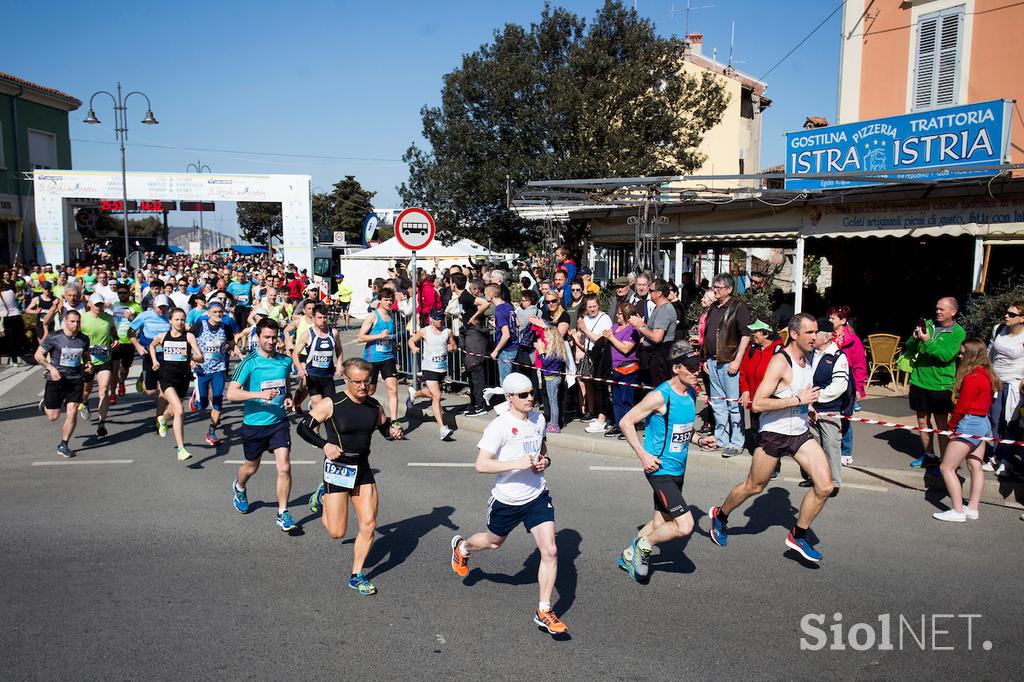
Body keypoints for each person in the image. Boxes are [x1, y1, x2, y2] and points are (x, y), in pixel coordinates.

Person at [707, 313, 835, 563]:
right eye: (809, 332)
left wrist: (807, 409)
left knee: (825, 486)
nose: (815, 337)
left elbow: (798, 391)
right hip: (773, 435)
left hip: (799, 434)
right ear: (794, 334)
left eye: (816, 331)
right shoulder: (780, 362)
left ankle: (798, 535)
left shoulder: (810, 357)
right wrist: (799, 401)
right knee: (754, 486)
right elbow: (758, 404)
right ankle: (720, 516)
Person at [448, 373, 566, 636]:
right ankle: (463, 546)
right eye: (523, 395)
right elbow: (481, 464)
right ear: (510, 397)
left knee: (550, 551)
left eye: (532, 393)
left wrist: (544, 462)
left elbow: (542, 450)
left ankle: (543, 611)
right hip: (507, 500)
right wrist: (517, 463)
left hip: (537, 495)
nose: (530, 399)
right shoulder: (499, 426)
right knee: (493, 543)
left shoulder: (539, 419)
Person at [298, 357, 405, 595]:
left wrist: (392, 432)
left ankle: (356, 575)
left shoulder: (374, 406)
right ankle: (322, 497)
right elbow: (303, 428)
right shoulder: (331, 403)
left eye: (366, 381)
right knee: (337, 532)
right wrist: (324, 445)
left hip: (362, 470)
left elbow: (384, 428)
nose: (362, 387)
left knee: (369, 524)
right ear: (345, 379)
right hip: (337, 470)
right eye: (356, 382)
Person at [616, 342, 702, 582]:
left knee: (660, 521)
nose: (697, 372)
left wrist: (698, 439)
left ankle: (628, 555)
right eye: (692, 368)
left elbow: (681, 429)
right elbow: (626, 422)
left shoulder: (692, 393)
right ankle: (644, 544)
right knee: (684, 526)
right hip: (659, 469)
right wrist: (643, 455)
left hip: (678, 469)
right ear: (677, 368)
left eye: (699, 367)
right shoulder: (659, 396)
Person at [227, 317, 299, 533]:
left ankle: (282, 512)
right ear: (257, 337)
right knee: (251, 467)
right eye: (266, 337)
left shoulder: (285, 361)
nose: (271, 341)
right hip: (254, 424)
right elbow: (231, 393)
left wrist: (288, 397)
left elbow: (285, 384)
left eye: (274, 337)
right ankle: (239, 487)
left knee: (284, 466)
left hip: (278, 422)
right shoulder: (249, 362)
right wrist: (260, 394)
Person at [933, 339, 1000, 522]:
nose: (959, 356)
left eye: (963, 353)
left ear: (971, 355)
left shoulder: (972, 377)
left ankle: (957, 510)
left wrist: (952, 426)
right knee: (975, 466)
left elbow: (962, 406)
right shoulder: (987, 373)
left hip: (969, 423)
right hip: (982, 423)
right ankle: (972, 508)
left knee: (946, 467)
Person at [904, 297, 966, 468]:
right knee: (922, 421)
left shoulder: (958, 332)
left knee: (941, 424)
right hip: (919, 381)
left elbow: (946, 356)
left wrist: (927, 342)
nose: (937, 312)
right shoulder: (928, 324)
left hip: (941, 385)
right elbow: (909, 347)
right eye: (937, 308)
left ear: (952, 312)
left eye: (942, 309)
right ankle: (929, 455)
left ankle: (945, 461)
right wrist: (915, 339)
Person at [700, 274, 752, 457]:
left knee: (732, 403)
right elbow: (708, 333)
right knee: (717, 403)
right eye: (714, 287)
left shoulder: (738, 307)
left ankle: (737, 442)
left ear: (729, 289)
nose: (715, 290)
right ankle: (721, 438)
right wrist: (705, 358)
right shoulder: (714, 307)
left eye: (719, 287)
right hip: (713, 361)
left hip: (729, 361)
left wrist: (737, 361)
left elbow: (746, 335)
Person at [801, 320, 850, 495]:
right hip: (808, 407)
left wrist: (817, 398)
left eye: (816, 333)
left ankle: (834, 483)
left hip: (829, 409)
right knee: (811, 446)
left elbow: (839, 385)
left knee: (831, 447)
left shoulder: (838, 356)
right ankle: (814, 478)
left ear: (827, 337)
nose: (813, 337)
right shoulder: (810, 353)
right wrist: (807, 402)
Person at [150, 308, 204, 461]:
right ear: (170, 320)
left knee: (173, 411)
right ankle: (181, 449)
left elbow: (200, 357)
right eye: (177, 319)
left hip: (183, 378)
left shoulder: (189, 337)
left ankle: (162, 419)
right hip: (166, 378)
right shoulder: (162, 337)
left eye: (182, 319)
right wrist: (154, 361)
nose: (180, 322)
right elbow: (151, 346)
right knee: (179, 411)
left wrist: (190, 356)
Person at [34, 309, 90, 458]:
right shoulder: (54, 337)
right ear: (65, 321)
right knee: (53, 417)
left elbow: (85, 355)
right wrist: (50, 368)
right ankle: (46, 404)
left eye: (78, 321)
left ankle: (63, 444)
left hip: (75, 379)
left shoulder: (84, 339)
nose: (76, 324)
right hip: (57, 379)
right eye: (72, 321)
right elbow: (38, 355)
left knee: (72, 411)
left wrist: (88, 363)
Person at [985, 300, 1024, 476]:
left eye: (1012, 314)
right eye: (1007, 313)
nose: (1006, 316)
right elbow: (990, 351)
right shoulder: (998, 329)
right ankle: (996, 455)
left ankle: (1006, 460)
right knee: (995, 420)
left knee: (1010, 422)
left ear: (1022, 319)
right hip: (995, 380)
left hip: (1015, 383)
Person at [190, 301, 234, 446]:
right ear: (208, 313)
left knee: (217, 400)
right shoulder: (199, 326)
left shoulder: (225, 327)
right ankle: (197, 398)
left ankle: (212, 432)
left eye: (220, 312)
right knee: (202, 405)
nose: (218, 314)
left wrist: (230, 347)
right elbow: (188, 339)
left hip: (219, 369)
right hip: (202, 369)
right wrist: (192, 358)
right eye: (215, 312)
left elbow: (231, 341)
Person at [407, 309, 456, 440]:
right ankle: (442, 428)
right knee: (437, 395)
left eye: (441, 318)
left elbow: (454, 346)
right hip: (429, 367)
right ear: (431, 319)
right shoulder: (424, 331)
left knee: (432, 393)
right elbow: (411, 341)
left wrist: (453, 348)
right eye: (437, 318)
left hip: (441, 368)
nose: (440, 320)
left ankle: (415, 394)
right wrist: (413, 347)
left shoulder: (448, 331)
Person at [828, 306, 867, 466]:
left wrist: (858, 387)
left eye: (833, 318)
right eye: (829, 317)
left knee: (845, 419)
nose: (830, 320)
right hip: (828, 381)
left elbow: (859, 366)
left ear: (843, 321)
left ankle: (846, 451)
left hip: (847, 384)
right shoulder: (826, 336)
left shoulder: (853, 340)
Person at [128, 295, 172, 430]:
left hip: (166, 356)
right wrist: (138, 346)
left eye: (165, 307)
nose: (162, 310)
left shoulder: (169, 317)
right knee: (150, 391)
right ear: (154, 305)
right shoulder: (144, 316)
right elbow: (130, 332)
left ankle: (158, 419)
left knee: (164, 390)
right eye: (160, 307)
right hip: (148, 354)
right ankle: (142, 376)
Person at [357, 288, 400, 424]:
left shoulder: (391, 316)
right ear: (380, 301)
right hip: (372, 358)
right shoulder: (373, 316)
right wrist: (379, 336)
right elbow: (360, 337)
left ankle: (394, 421)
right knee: (370, 391)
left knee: (393, 389)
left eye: (391, 300)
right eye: (386, 300)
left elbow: (389, 336)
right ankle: (363, 415)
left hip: (388, 357)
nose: (389, 302)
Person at [79, 294, 119, 437]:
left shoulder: (108, 317)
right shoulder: (83, 318)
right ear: (89, 304)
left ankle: (101, 424)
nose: (98, 307)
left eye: (101, 304)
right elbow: (75, 335)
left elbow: (113, 330)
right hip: (87, 360)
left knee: (103, 390)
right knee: (86, 390)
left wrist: (115, 338)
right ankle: (84, 402)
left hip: (104, 358)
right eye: (96, 304)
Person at [292, 302, 343, 412]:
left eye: (325, 317)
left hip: (328, 376)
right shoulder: (308, 334)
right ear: (314, 317)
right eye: (320, 317)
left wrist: (339, 364)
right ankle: (314, 428)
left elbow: (338, 349)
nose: (323, 320)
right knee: (318, 405)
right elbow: (295, 353)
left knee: (330, 407)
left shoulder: (333, 333)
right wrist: (300, 368)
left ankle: (328, 427)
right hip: (313, 376)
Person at [574, 293, 613, 434]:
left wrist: (585, 330)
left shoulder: (605, 319)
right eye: (589, 307)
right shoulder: (586, 318)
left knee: (601, 386)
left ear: (599, 305)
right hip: (590, 354)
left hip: (602, 355)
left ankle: (604, 417)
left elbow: (601, 339)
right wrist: (580, 334)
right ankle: (600, 414)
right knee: (594, 386)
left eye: (594, 306)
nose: (591, 309)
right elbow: (585, 340)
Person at [629, 278, 678, 390]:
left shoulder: (665, 310)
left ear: (659, 293)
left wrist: (640, 326)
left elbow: (657, 337)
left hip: (660, 356)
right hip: (653, 356)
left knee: (660, 391)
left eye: (651, 290)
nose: (648, 292)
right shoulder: (658, 308)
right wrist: (643, 324)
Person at [603, 303, 641, 440]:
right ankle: (619, 424)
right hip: (614, 369)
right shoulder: (614, 327)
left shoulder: (632, 330)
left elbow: (626, 348)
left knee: (627, 399)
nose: (617, 316)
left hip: (628, 369)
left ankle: (629, 425)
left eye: (620, 313)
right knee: (617, 399)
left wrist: (611, 338)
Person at [535, 327, 568, 432]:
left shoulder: (553, 349)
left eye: (546, 337)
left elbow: (545, 362)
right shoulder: (558, 347)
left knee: (553, 402)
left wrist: (540, 351)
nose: (545, 339)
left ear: (552, 337)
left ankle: (555, 424)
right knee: (553, 401)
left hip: (551, 378)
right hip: (556, 377)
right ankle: (553, 422)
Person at [486, 283, 520, 384]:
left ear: (490, 295)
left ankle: (508, 399)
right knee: (514, 381)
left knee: (506, 383)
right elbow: (517, 323)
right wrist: (497, 324)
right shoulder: (508, 305)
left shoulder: (499, 311)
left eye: (485, 294)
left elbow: (506, 335)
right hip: (514, 347)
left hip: (506, 350)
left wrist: (496, 351)